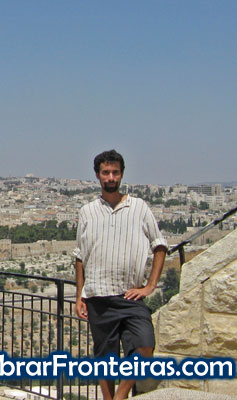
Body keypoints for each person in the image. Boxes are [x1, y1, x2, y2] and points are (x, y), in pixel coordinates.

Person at [73, 150, 168, 400]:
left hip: (130, 296)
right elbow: (80, 256)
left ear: (122, 174)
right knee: (105, 358)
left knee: (145, 344)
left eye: (115, 172)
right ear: (98, 175)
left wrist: (150, 286)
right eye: (106, 172)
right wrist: (79, 295)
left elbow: (160, 246)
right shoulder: (87, 212)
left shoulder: (139, 207)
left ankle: (120, 396)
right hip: (97, 295)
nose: (111, 177)